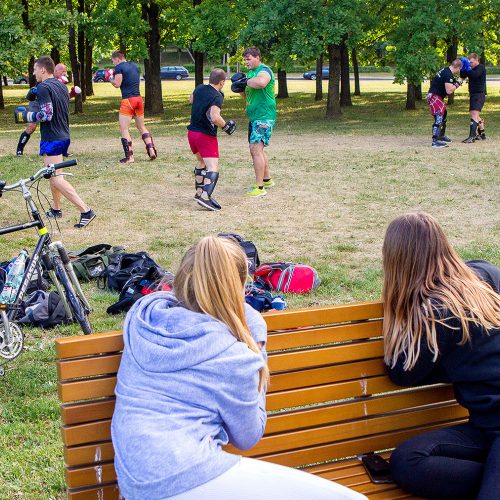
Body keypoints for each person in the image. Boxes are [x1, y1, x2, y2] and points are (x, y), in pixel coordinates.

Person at [111, 236, 366, 500]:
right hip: (188, 475)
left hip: (136, 483)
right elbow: (248, 436)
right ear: (242, 286)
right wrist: (255, 342)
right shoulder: (233, 356)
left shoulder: (143, 319)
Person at [381, 212, 500, 499]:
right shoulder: (487, 273)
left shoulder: (433, 311)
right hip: (488, 428)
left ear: (396, 261)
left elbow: (401, 371)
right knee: (409, 460)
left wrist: (398, 312)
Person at [14, 56, 95, 228]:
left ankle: (86, 211)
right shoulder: (60, 85)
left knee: (56, 179)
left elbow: (47, 114)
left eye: (35, 69)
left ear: (43, 69)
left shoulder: (44, 87)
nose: (33, 72)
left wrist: (28, 116)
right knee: (53, 175)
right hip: (63, 135)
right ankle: (57, 209)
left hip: (52, 138)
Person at [188, 68, 236, 212]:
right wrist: (226, 126)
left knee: (201, 161)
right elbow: (215, 117)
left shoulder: (199, 88)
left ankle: (199, 192)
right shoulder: (217, 96)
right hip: (205, 135)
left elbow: (191, 99)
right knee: (213, 166)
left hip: (192, 133)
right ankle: (205, 197)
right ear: (222, 82)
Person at [232, 47, 276, 197]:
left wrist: (246, 81)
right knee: (258, 150)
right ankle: (267, 179)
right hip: (255, 117)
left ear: (258, 57)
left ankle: (259, 188)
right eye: (244, 60)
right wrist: (239, 89)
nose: (246, 62)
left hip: (264, 116)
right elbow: (248, 95)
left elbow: (262, 83)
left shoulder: (264, 71)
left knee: (255, 150)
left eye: (248, 59)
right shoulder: (250, 74)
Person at [15, 63, 80, 156]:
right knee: (31, 127)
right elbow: (36, 95)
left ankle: (62, 150)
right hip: (37, 102)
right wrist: (28, 115)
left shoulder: (60, 83)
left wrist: (71, 94)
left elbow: (57, 99)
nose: (64, 74)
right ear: (55, 71)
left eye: (65, 72)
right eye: (63, 71)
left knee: (59, 122)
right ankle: (19, 149)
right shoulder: (44, 79)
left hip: (48, 104)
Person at [108, 51, 157, 164]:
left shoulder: (119, 67)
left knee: (124, 128)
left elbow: (117, 84)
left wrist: (109, 79)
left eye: (113, 61)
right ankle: (151, 149)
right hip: (139, 99)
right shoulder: (135, 66)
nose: (113, 63)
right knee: (141, 126)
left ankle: (129, 157)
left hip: (128, 100)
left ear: (118, 59)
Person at [426, 58, 463, 148]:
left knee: (444, 113)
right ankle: (435, 141)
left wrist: (454, 81)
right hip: (434, 96)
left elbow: (446, 82)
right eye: (460, 69)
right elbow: (449, 90)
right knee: (439, 114)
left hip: (435, 95)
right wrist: (457, 84)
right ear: (458, 67)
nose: (459, 71)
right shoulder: (448, 74)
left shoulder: (446, 71)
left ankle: (441, 135)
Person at [460, 53, 487, 143]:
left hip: (479, 94)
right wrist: (463, 68)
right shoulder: (471, 69)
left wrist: (468, 68)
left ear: (476, 59)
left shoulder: (481, 68)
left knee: (474, 115)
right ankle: (482, 134)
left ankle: (471, 137)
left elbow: (474, 75)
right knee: (474, 114)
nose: (470, 64)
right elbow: (463, 76)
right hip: (473, 94)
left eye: (471, 62)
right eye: (469, 63)